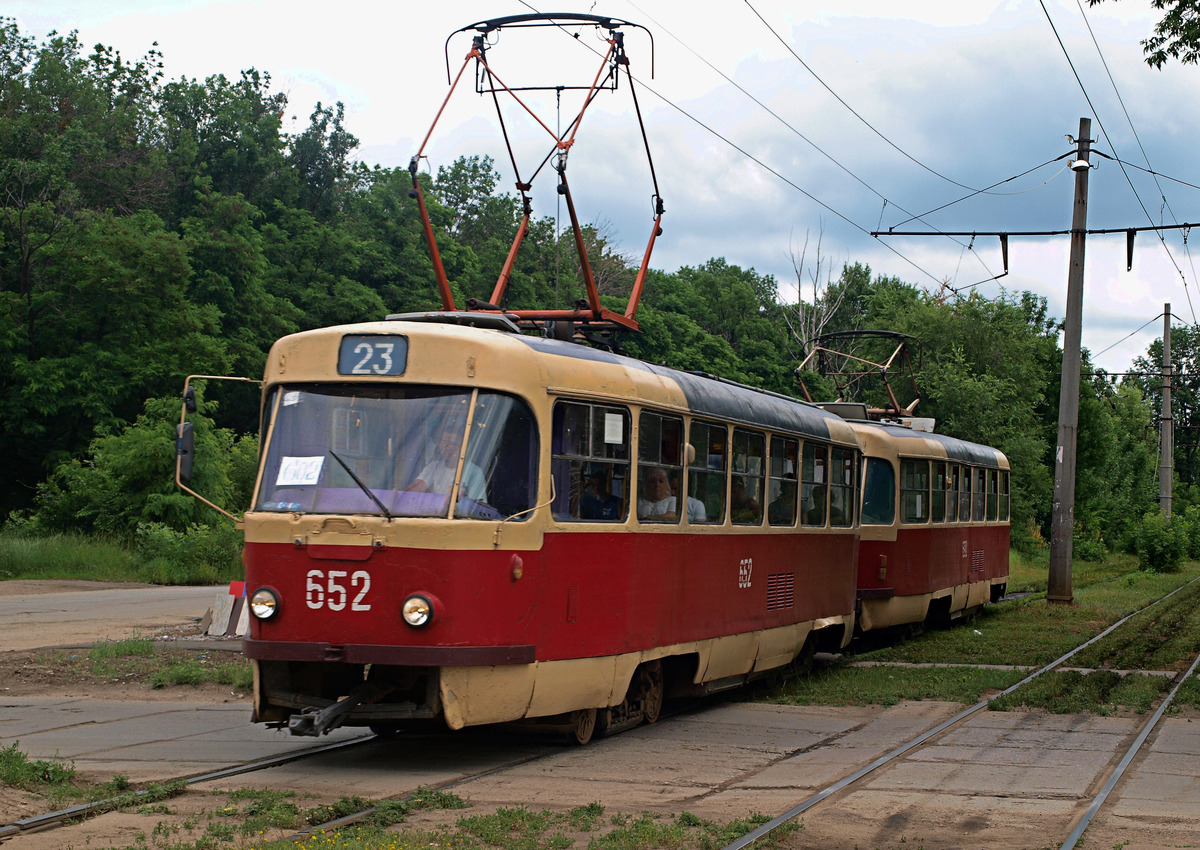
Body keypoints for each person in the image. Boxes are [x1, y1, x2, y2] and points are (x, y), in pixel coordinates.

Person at [409, 424, 487, 502]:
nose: (448, 447)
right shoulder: (433, 466)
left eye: (453, 442)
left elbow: (476, 507)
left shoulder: (474, 472)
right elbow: (417, 487)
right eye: (444, 442)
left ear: (463, 446)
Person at [638, 467, 706, 522]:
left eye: (676, 489)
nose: (672, 492)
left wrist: (646, 518)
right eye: (671, 488)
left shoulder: (696, 504)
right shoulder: (640, 501)